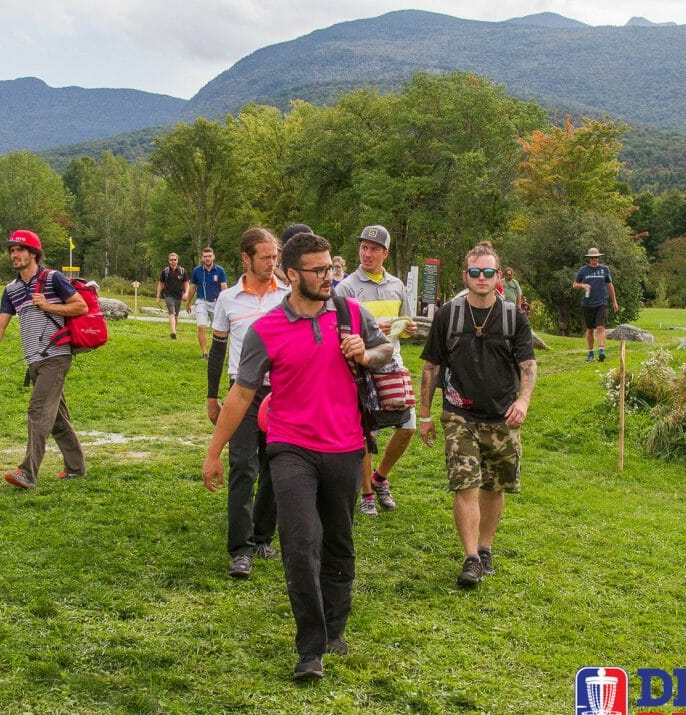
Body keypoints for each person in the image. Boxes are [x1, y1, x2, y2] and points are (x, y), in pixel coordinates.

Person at [202, 232, 393, 682]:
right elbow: (242, 393)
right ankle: (310, 648)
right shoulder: (267, 329)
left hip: (346, 447)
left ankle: (335, 629)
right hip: (290, 448)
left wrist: (366, 353)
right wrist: (215, 451)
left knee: (339, 542)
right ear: (292, 275)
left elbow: (386, 350)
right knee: (301, 544)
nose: (329, 277)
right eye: (318, 270)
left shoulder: (349, 313)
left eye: (330, 268)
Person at [419, 242, 537, 588]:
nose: (481, 278)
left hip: (502, 415)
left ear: (498, 276)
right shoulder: (448, 315)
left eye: (488, 272)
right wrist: (424, 414)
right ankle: (470, 557)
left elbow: (528, 365)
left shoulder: (514, 316)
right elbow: (431, 366)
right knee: (465, 482)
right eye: (475, 272)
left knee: (493, 485)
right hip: (459, 414)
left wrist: (524, 401)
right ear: (465, 275)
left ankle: (485, 548)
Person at [0, 229, 88, 489]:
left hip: (56, 356)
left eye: (20, 249)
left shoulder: (53, 278)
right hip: (33, 361)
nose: (14, 254)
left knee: (37, 410)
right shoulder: (11, 289)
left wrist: (49, 306)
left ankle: (27, 472)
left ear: (34, 253)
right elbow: (0, 325)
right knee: (57, 418)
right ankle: (76, 467)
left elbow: (80, 306)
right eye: (11, 250)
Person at [207, 227, 289, 578]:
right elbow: (218, 350)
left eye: (276, 257)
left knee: (275, 465)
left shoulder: (287, 295)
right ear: (246, 257)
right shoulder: (228, 300)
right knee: (243, 464)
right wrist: (212, 396)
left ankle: (262, 537)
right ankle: (240, 550)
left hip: (284, 390)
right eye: (266, 257)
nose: (273, 263)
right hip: (242, 390)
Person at [334, 225, 418, 516]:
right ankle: (367, 495)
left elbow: (404, 323)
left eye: (373, 249)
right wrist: (370, 330)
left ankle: (380, 478)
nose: (366, 253)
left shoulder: (397, 285)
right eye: (363, 248)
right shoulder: (346, 287)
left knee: (408, 426)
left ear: (385, 253)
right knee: (363, 431)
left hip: (393, 363)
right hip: (361, 366)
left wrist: (408, 328)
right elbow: (340, 329)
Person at [572, 246, 618, 362]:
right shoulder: (583, 270)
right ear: (589, 258)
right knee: (590, 330)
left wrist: (614, 302)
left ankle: (601, 350)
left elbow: (610, 285)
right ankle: (591, 352)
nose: (594, 259)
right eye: (592, 258)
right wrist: (583, 285)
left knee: (600, 327)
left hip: (601, 302)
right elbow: (574, 284)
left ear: (598, 258)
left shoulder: (605, 269)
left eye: (596, 257)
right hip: (587, 304)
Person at [186, 247, 228, 359]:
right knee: (201, 326)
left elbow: (224, 288)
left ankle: (217, 352)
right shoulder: (197, 271)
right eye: (205, 256)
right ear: (202, 258)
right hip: (201, 301)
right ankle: (205, 353)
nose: (207, 258)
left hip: (216, 302)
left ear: (213, 257)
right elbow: (192, 287)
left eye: (209, 256)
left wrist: (227, 304)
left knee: (219, 329)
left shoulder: (220, 271)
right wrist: (188, 302)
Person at [155, 252, 189, 339]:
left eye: (175, 260)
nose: (173, 261)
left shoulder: (182, 271)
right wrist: (158, 296)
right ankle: (173, 331)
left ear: (177, 260)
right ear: (169, 261)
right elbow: (160, 284)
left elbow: (186, 284)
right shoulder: (165, 271)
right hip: (168, 295)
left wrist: (186, 293)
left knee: (176, 314)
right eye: (171, 260)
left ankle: (174, 331)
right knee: (171, 311)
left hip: (178, 296)